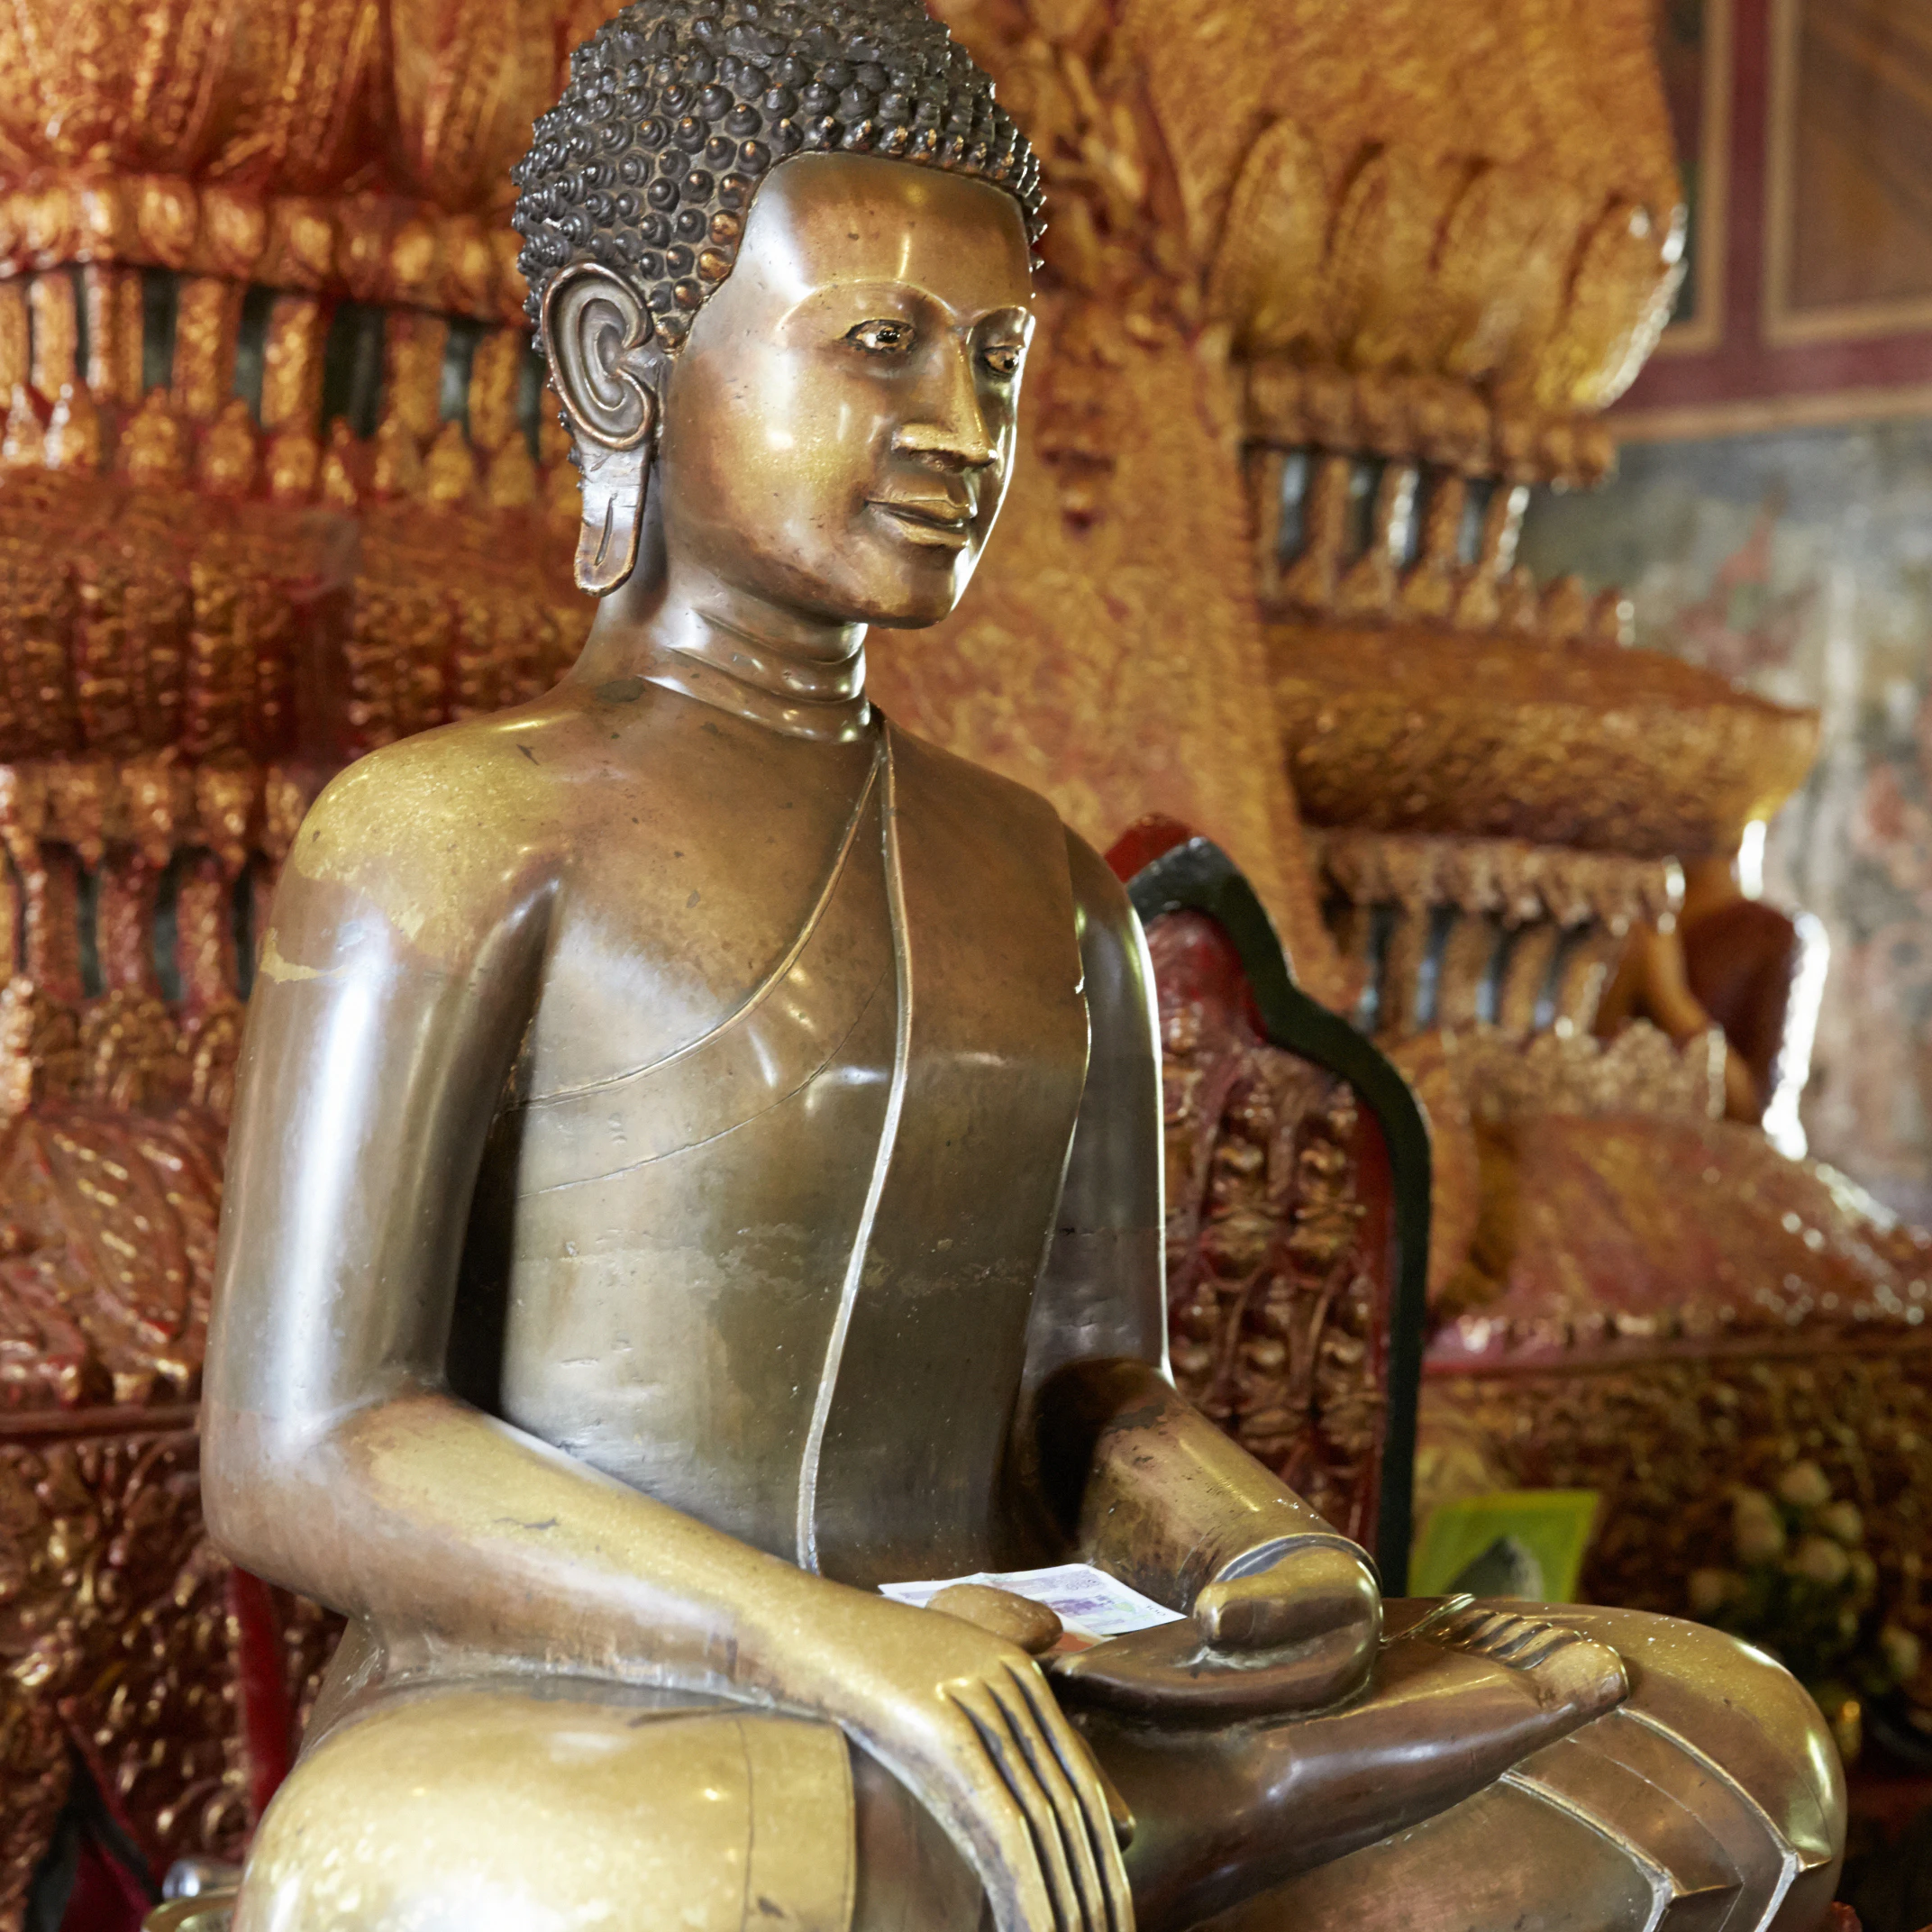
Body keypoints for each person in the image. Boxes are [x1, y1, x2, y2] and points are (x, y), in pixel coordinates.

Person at [201, 5, 1845, 1928]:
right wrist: (831, 1648)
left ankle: (1218, 1794)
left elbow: (1093, 1383)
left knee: (1730, 1738)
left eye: (996, 362)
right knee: (742, 1881)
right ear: (617, 353)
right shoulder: (444, 835)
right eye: (880, 345)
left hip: (1014, 1674)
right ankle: (1235, 1817)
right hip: (588, 1711)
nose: (965, 431)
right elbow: (309, 1446)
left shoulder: (1042, 877)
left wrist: (1253, 1558)